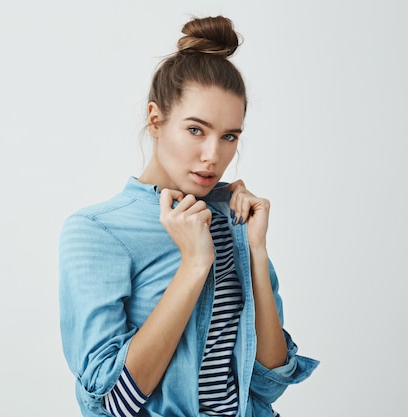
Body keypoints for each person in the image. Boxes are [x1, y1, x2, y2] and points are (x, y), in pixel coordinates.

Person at [59, 15, 319, 417]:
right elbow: (113, 404)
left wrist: (256, 250)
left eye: (229, 136)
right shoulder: (98, 232)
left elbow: (268, 383)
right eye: (197, 130)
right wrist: (194, 264)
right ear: (156, 119)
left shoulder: (235, 219)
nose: (213, 156)